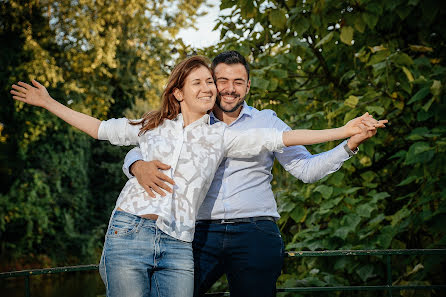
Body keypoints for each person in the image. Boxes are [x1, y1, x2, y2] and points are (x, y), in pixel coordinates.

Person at [11, 56, 385, 297]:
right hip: (151, 231)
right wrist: (48, 102)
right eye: (206, 82)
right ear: (179, 92)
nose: (215, 88)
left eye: (220, 82)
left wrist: (342, 133)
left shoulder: (227, 134)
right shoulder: (154, 124)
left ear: (248, 86)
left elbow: (283, 140)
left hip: (193, 238)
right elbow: (101, 130)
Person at [123, 51, 386, 297]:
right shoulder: (186, 120)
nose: (229, 89)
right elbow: (142, 145)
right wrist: (136, 165)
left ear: (248, 87)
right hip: (196, 233)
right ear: (211, 84)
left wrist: (349, 145)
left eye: (238, 82)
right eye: (222, 80)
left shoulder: (267, 122)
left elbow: (306, 170)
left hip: (255, 232)